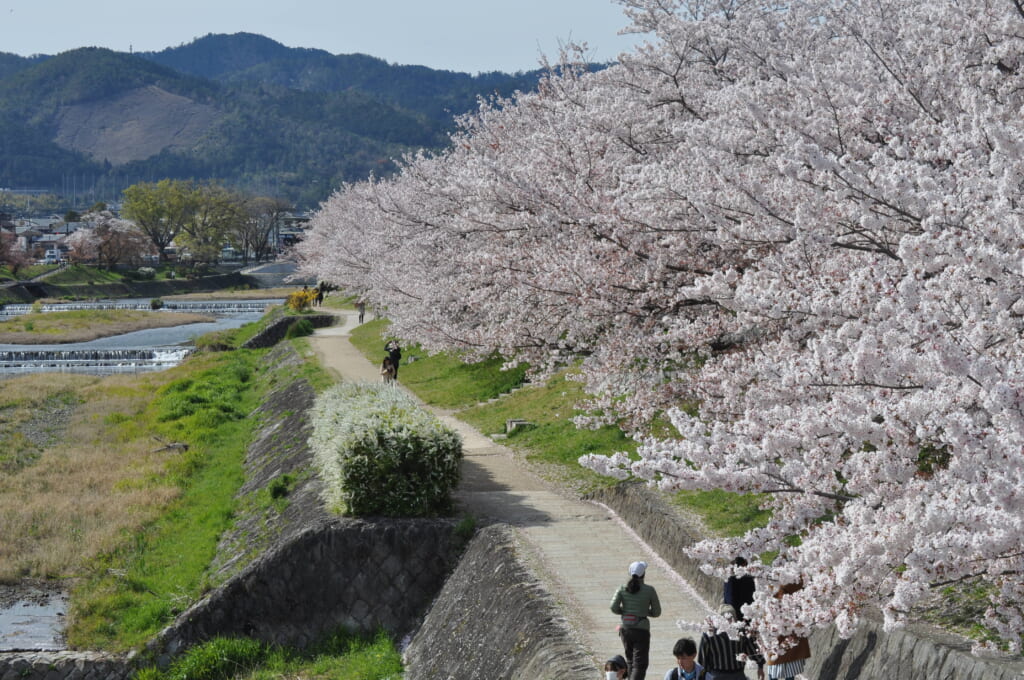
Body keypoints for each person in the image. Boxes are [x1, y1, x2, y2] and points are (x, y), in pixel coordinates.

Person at [610, 560, 662, 680]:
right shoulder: (649, 590)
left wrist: (624, 612)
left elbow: (613, 607)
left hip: (626, 629)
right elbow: (657, 612)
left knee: (630, 660)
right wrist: (644, 612)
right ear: (644, 574)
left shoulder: (622, 589)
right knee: (640, 663)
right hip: (641, 629)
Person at [698, 604, 764, 680]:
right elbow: (702, 659)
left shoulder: (741, 632)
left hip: (737, 674)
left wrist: (760, 668)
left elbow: (753, 651)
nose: (729, 622)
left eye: (731, 619)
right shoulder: (708, 634)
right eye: (727, 619)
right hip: (717, 675)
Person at [765, 583, 810, 680]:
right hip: (785, 633)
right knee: (782, 670)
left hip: (787, 633)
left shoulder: (779, 585)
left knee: (776, 670)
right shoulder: (795, 583)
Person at [723, 556, 755, 622]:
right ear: (743, 564)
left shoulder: (728, 578)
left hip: (730, 614)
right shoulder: (747, 579)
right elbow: (751, 597)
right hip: (743, 615)